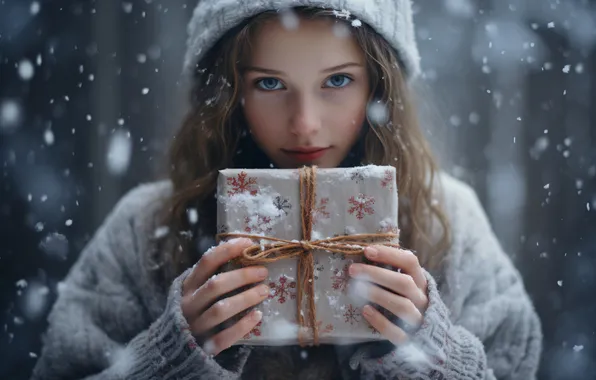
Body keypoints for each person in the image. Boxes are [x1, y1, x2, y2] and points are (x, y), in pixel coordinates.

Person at [31, 1, 543, 379]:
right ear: (226, 94)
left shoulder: (448, 222)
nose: (304, 124)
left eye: (338, 81)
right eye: (269, 84)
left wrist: (430, 353)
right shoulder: (144, 228)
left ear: (379, 86)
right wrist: (170, 358)